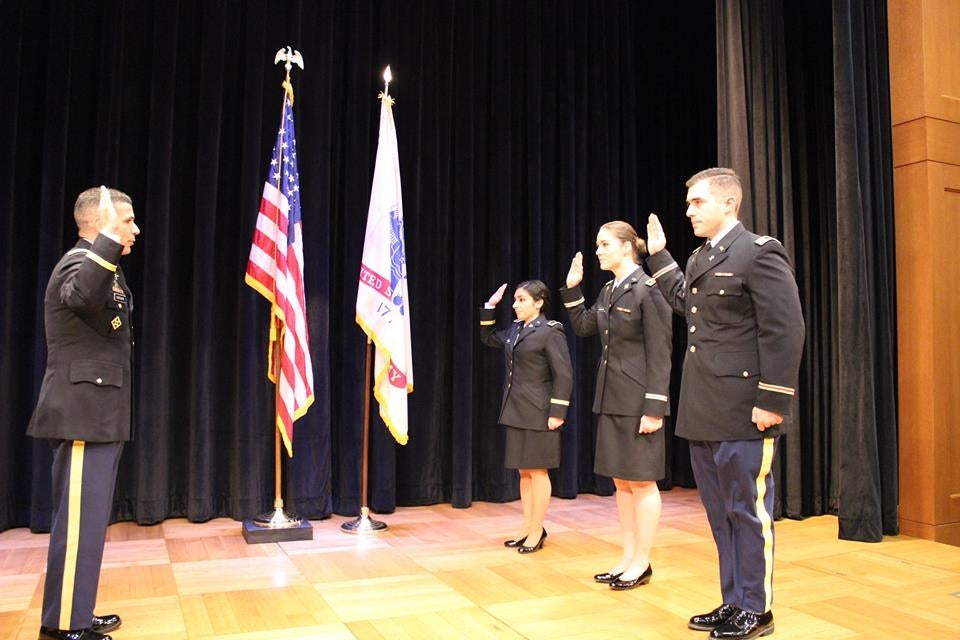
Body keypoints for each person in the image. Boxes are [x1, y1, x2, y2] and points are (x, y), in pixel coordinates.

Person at [645, 168, 804, 640]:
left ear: (728, 204)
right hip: (705, 407)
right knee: (721, 513)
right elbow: (683, 300)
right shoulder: (701, 257)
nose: (689, 210)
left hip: (744, 407)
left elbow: (785, 327)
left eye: (696, 202)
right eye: (689, 202)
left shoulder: (758, 252)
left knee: (748, 512)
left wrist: (773, 398)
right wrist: (659, 256)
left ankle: (758, 609)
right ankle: (734, 601)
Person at [28, 186, 140, 640]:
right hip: (81, 415)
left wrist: (108, 248)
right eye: (126, 221)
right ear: (99, 224)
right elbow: (82, 297)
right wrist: (109, 241)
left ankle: (75, 611)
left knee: (88, 522)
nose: (134, 229)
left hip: (98, 414)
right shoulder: (79, 264)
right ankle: (62, 628)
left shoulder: (102, 269)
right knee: (76, 524)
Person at [560, 221, 673, 590]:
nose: (598, 251)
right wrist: (573, 290)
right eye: (597, 245)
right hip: (611, 398)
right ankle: (628, 556)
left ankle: (642, 561)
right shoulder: (610, 290)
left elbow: (660, 353)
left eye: (604, 244)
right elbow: (584, 327)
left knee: (641, 483)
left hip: (640, 400)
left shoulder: (648, 290)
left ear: (627, 247)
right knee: (622, 483)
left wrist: (655, 407)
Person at [480, 280, 573, 554]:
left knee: (538, 471)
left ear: (539, 302)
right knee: (524, 472)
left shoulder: (550, 331)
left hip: (540, 412)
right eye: (515, 300)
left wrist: (558, 411)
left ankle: (537, 529)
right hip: (516, 410)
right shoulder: (516, 330)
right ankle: (528, 526)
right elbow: (487, 338)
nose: (515, 305)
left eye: (521, 300)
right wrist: (490, 306)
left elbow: (564, 374)